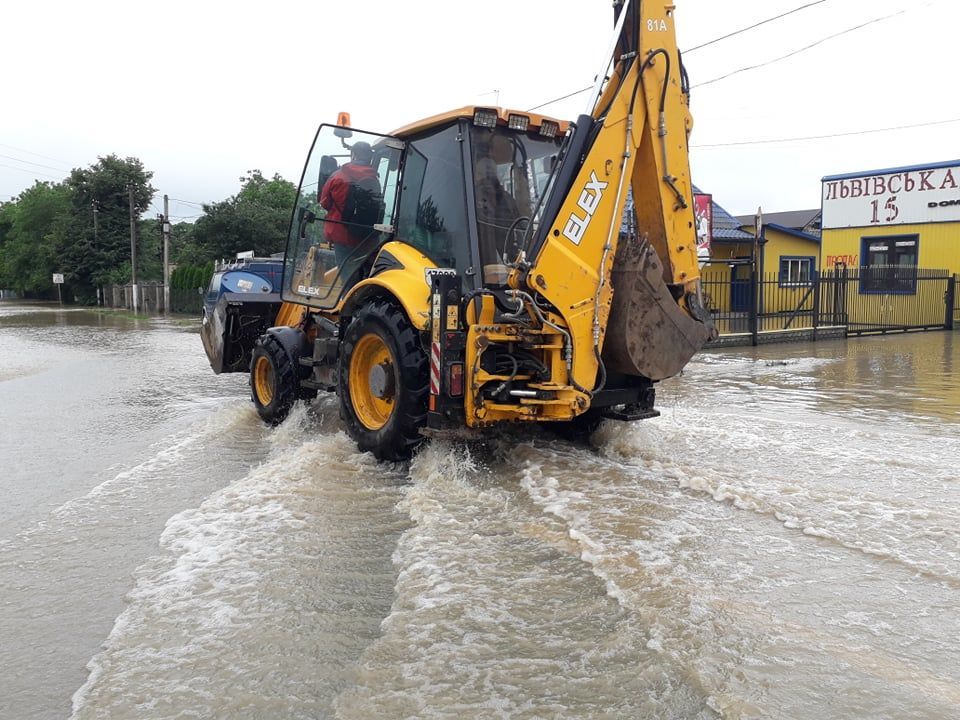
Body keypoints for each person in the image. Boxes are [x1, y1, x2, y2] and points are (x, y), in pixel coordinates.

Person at [319, 141, 381, 267]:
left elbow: (324, 203)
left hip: (341, 235)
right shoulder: (374, 178)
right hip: (366, 237)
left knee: (346, 277)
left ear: (353, 155)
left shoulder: (338, 176)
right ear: (369, 157)